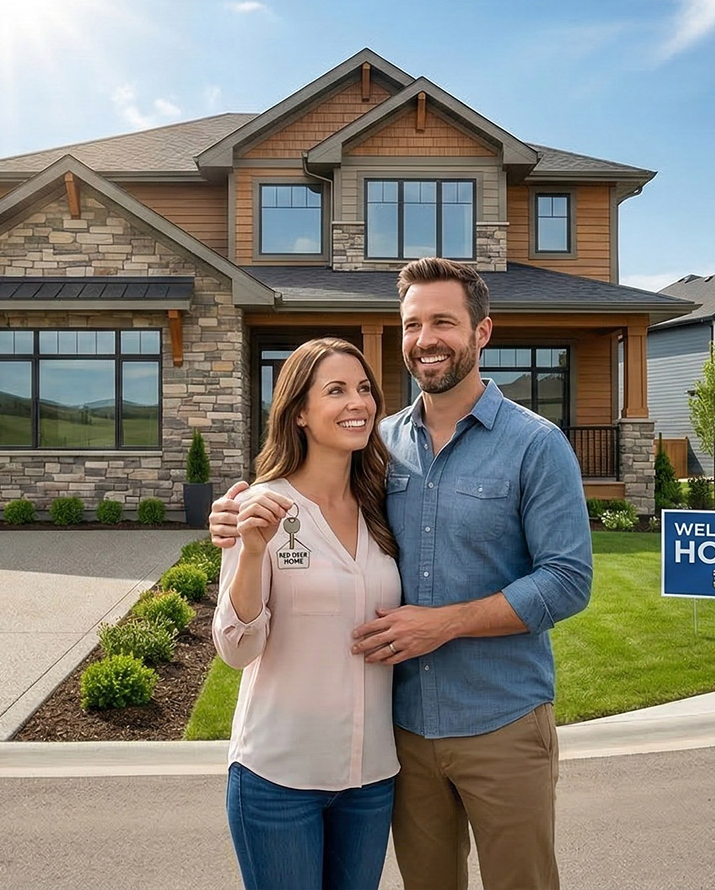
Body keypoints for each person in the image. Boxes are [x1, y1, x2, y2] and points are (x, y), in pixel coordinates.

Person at [213, 257, 594, 890]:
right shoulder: (379, 450)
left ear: (482, 332)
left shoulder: (536, 444)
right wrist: (235, 525)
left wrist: (443, 625)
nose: (425, 339)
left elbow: (567, 579)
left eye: (443, 321)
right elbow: (302, 513)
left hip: (499, 721)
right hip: (403, 735)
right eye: (412, 324)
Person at [212, 336, 404, 890]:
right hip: (278, 777)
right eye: (337, 390)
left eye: (365, 389)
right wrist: (250, 552)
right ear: (299, 412)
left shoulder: (384, 506)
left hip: (370, 779)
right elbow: (236, 649)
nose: (358, 403)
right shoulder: (258, 507)